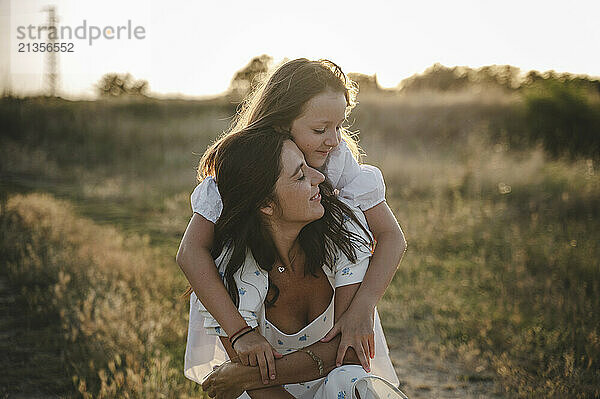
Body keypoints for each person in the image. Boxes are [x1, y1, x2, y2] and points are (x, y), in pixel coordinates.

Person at [177, 58, 407, 384]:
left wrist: (363, 307)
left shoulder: (338, 163)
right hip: (256, 286)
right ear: (282, 124)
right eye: (319, 130)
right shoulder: (239, 172)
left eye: (339, 126)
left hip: (327, 282)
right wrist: (240, 332)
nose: (334, 140)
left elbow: (392, 237)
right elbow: (191, 252)